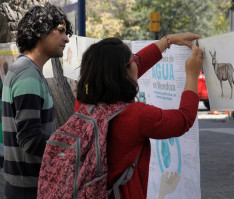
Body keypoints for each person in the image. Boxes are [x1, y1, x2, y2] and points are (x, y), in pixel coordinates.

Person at [74, 33, 202, 198]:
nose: (137, 62)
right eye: (134, 60)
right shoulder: (135, 116)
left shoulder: (83, 104)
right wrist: (192, 75)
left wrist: (167, 41)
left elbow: (128, 69)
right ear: (124, 72)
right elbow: (183, 120)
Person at [1, 2, 73, 199]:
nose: (66, 39)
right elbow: (30, 140)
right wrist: (67, 155)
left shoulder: (26, 69)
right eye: (61, 31)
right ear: (41, 31)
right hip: (29, 190)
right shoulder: (28, 76)